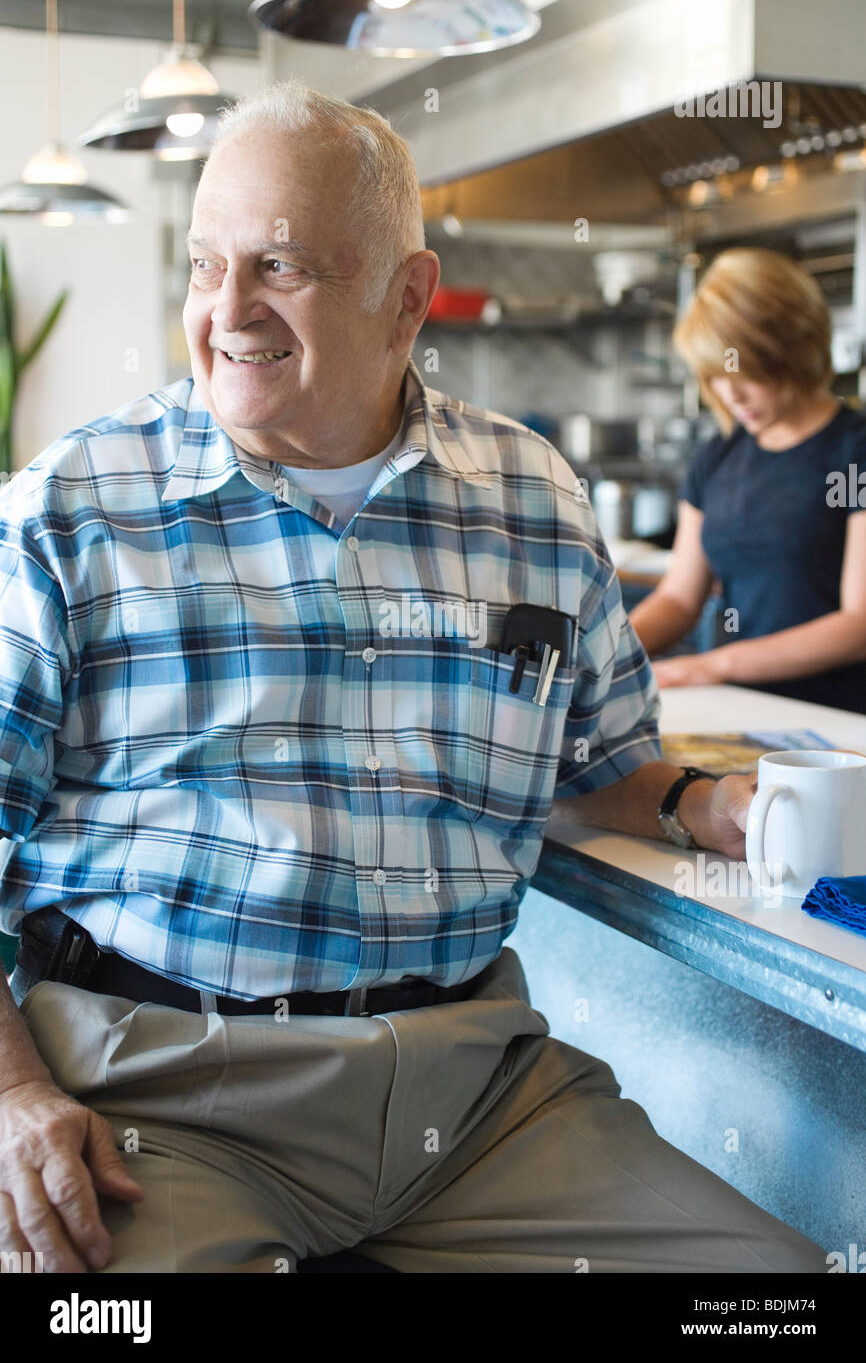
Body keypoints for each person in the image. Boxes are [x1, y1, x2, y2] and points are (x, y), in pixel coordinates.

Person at [0, 83, 826, 1275]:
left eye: (278, 266)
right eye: (202, 265)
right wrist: (15, 1097)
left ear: (407, 299)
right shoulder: (71, 510)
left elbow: (597, 763)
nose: (226, 311)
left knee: (774, 1293)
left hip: (476, 1098)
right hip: (158, 1094)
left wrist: (708, 802)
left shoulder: (529, 499)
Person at [631, 247, 866, 711]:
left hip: (841, 720)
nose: (730, 393)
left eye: (748, 373)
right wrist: (607, 655)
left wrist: (714, 665)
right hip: (744, 710)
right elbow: (679, 597)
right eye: (715, 376)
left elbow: (860, 624)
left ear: (793, 349)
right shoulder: (717, 457)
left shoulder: (854, 451)